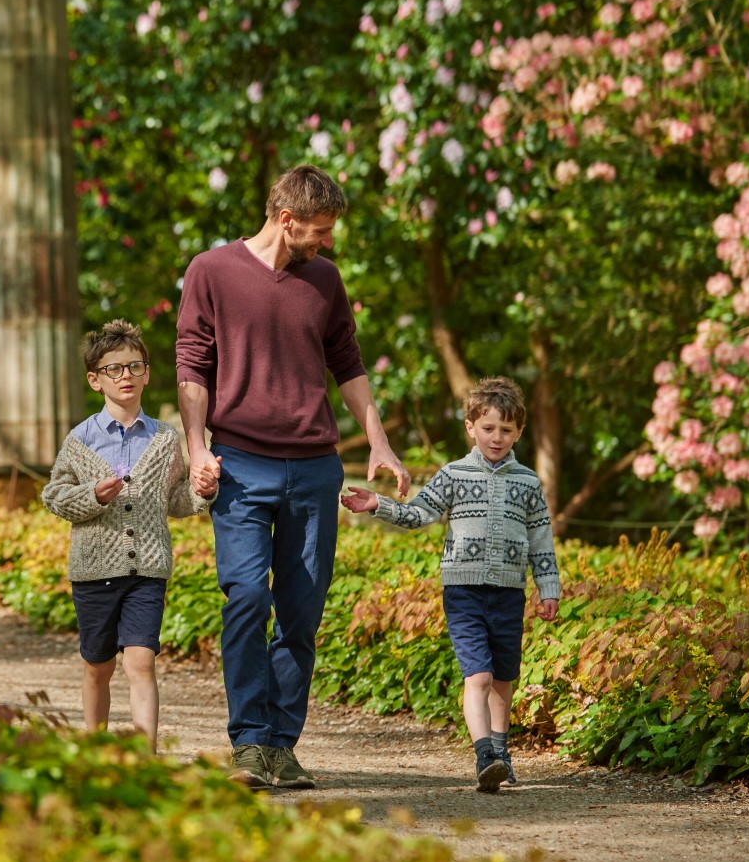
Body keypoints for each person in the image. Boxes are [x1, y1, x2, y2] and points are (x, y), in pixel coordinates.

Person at [175, 164, 410, 790]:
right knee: (247, 596)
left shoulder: (324, 281)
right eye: (320, 230)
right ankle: (248, 742)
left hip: (312, 468)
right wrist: (196, 448)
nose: (326, 241)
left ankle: (281, 744)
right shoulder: (212, 271)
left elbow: (349, 364)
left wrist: (379, 442)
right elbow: (192, 366)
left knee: (302, 612)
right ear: (286, 219)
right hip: (241, 464)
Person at [341, 376, 560, 793]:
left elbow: (541, 539)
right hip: (464, 592)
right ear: (470, 427)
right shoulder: (454, 474)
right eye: (488, 428)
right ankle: (484, 758)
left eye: (507, 430)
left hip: (510, 593)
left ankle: (501, 752)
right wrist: (378, 504)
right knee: (477, 677)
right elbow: (419, 514)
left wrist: (548, 588)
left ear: (519, 432)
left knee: (502, 679)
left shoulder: (528, 482)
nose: (497, 437)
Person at [42, 319, 217, 751]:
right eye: (114, 369)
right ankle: (95, 751)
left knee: (141, 661)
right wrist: (93, 496)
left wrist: (201, 491)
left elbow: (173, 499)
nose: (125, 376)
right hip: (93, 571)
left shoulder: (163, 438)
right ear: (95, 379)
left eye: (134, 367)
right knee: (98, 667)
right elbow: (55, 495)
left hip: (148, 569)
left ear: (147, 373)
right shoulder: (80, 440)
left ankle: (144, 757)